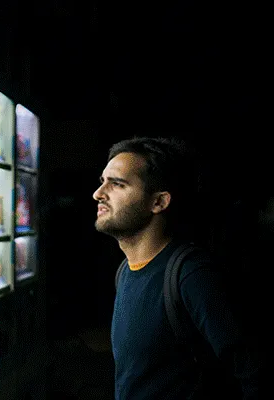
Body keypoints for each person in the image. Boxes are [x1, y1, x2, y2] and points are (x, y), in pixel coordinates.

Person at [92, 137, 259, 399]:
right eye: (102, 182)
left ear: (158, 202)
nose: (99, 194)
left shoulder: (191, 275)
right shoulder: (125, 271)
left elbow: (251, 373)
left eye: (117, 184)